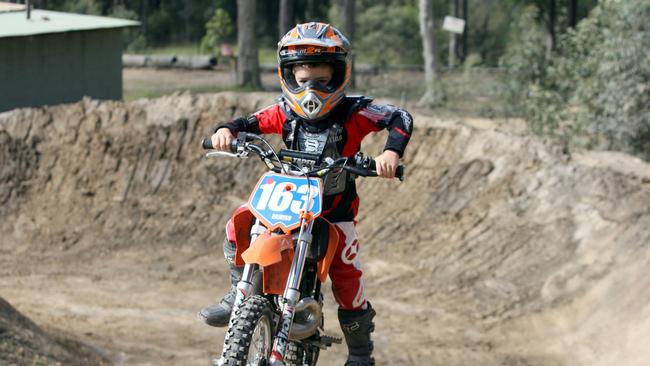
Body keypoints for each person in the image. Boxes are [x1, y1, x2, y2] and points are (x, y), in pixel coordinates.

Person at [199, 22, 413, 366]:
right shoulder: (283, 111)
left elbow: (399, 117)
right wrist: (225, 131)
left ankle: (360, 352)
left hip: (333, 211)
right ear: (288, 75)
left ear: (339, 73)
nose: (311, 88)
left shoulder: (355, 111)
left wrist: (390, 154)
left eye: (321, 78)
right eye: (302, 79)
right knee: (237, 224)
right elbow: (247, 123)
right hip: (287, 201)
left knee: (346, 271)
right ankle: (238, 289)